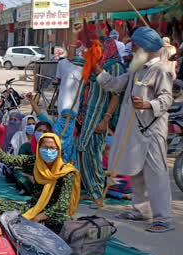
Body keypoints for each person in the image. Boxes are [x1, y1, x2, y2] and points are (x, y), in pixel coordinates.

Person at [95, 27, 174, 233]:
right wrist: (96, 69)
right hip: (134, 130)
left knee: (156, 174)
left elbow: (166, 99)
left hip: (152, 130)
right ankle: (141, 211)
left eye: (136, 44)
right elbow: (115, 85)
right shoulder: (136, 69)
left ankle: (163, 217)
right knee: (137, 171)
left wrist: (148, 105)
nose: (133, 47)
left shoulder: (161, 70)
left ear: (146, 47)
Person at [0, 127, 80, 233]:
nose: (48, 151)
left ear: (58, 150)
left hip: (53, 214)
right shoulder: (36, 162)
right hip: (34, 206)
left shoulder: (66, 171)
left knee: (62, 221)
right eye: (45, 147)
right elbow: (8, 159)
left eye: (52, 148)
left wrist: (39, 217)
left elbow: (62, 204)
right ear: (39, 148)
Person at [76, 38, 124, 207]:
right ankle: (93, 191)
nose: (97, 49)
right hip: (86, 115)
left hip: (99, 116)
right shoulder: (94, 63)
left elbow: (116, 96)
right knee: (84, 153)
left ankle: (98, 194)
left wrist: (106, 120)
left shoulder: (115, 67)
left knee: (93, 154)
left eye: (101, 46)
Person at [56, 42, 84, 114]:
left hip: (77, 98)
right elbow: (59, 79)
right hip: (64, 97)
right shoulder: (61, 63)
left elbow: (58, 79)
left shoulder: (83, 64)